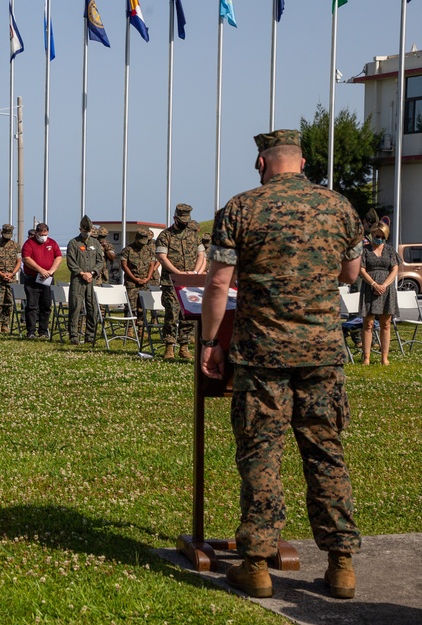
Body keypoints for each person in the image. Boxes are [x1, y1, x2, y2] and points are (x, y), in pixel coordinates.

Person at [200, 129, 362, 600]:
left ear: (261, 163)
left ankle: (255, 564)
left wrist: (211, 343)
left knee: (261, 454)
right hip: (323, 354)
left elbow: (217, 286)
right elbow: (350, 274)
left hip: (262, 355)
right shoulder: (339, 207)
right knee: (326, 453)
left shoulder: (240, 208)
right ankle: (341, 565)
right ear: (304, 162)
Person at [156, 203, 204, 360]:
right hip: (171, 282)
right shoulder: (165, 236)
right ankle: (169, 347)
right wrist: (178, 273)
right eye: (182, 220)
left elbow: (201, 255)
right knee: (172, 313)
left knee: (188, 315)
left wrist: (195, 273)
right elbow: (162, 257)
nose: (185, 223)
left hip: (189, 282)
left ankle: (184, 346)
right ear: (175, 218)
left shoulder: (193, 235)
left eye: (187, 221)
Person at [359, 222, 400, 366]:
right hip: (370, 288)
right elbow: (361, 270)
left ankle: (384, 358)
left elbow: (394, 269)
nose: (380, 239)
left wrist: (384, 285)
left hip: (387, 290)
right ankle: (366, 358)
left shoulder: (390, 250)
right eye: (377, 236)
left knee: (386, 323)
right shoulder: (364, 250)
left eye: (383, 236)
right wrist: (374, 284)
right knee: (368, 323)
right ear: (372, 234)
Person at [66, 216, 105, 344]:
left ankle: (90, 335)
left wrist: (92, 272)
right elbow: (71, 262)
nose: (86, 233)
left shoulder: (95, 243)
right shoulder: (73, 243)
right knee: (76, 307)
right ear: (80, 229)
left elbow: (100, 261)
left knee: (92, 307)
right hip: (78, 280)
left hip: (91, 279)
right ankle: (74, 336)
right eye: (85, 230)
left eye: (89, 231)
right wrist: (82, 273)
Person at [21, 222, 62, 339]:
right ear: (37, 233)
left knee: (46, 305)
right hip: (32, 279)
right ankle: (31, 332)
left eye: (45, 234)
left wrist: (51, 271)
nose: (43, 236)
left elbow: (58, 257)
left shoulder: (52, 243)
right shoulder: (29, 243)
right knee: (32, 306)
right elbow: (26, 259)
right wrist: (40, 270)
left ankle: (43, 331)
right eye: (41, 234)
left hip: (48, 279)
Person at [120, 228, 157, 339]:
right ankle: (129, 329)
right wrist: (135, 278)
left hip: (145, 282)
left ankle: (141, 328)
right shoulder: (128, 250)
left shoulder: (148, 250)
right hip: (132, 283)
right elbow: (124, 265)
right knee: (131, 307)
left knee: (143, 307)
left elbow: (152, 264)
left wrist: (147, 278)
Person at [0, 223, 21, 333]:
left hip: (11, 278)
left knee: (9, 302)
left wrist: (12, 273)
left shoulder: (16, 246)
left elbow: (19, 261)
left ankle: (6, 324)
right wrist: (1, 274)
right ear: (1, 232)